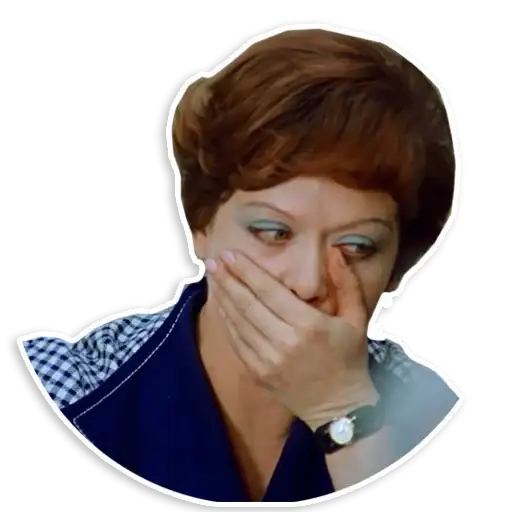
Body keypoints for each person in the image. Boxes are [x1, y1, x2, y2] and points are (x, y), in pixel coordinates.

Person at [20, 26, 463, 503]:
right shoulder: (61, 389)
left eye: (357, 246)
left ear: (397, 264)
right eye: (272, 232)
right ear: (201, 224)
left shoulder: (436, 416)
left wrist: (342, 409)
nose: (308, 283)